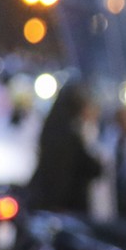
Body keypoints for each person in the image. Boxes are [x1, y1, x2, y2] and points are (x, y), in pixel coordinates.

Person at [27, 80, 104, 215]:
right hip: (66, 208)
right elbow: (90, 168)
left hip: (50, 202)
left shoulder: (53, 129)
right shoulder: (71, 136)